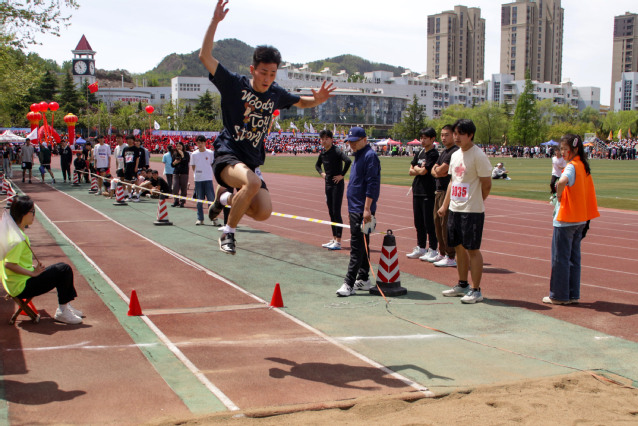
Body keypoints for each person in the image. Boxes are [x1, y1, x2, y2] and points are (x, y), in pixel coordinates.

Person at [200, 0, 336, 254]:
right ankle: (228, 233)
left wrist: (317, 100)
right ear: (253, 70)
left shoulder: (275, 93)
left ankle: (224, 198)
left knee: (263, 211)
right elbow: (205, 57)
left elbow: (300, 101)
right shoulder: (234, 84)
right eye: (263, 72)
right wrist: (214, 22)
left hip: (251, 161)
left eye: (272, 74)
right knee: (251, 183)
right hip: (228, 155)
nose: (267, 78)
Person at [2, 195, 83, 324]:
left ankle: (66, 305)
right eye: (32, 211)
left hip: (16, 283)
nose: (34, 215)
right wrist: (32, 273)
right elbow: (9, 264)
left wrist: (32, 268)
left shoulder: (13, 233)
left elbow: (14, 261)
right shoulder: (18, 239)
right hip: (21, 287)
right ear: (24, 213)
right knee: (63, 269)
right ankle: (62, 311)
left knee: (60, 268)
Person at [437, 119, 492, 304]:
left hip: (472, 211)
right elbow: (453, 182)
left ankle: (476, 290)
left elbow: (486, 184)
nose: (456, 137)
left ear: (470, 135)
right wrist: (445, 205)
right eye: (455, 133)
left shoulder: (478, 155)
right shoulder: (455, 155)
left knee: (472, 249)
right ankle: (462, 284)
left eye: (461, 133)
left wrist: (477, 201)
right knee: (458, 248)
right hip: (455, 208)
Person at [545, 134, 599, 305]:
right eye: (561, 149)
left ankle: (558, 295)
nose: (562, 152)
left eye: (565, 149)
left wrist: (559, 194)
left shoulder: (572, 166)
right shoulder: (583, 165)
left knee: (560, 258)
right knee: (574, 259)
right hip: (580, 218)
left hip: (566, 219)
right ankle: (572, 294)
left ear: (574, 149)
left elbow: (562, 182)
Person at [335, 127, 380, 297]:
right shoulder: (359, 155)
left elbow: (372, 184)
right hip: (355, 208)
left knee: (357, 246)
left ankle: (349, 283)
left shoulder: (370, 156)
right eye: (350, 142)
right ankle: (363, 278)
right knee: (363, 244)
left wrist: (367, 209)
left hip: (362, 209)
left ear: (364, 139)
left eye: (355, 141)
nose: (352, 144)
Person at [406, 128, 439, 262]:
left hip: (428, 191)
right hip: (417, 190)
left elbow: (424, 171)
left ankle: (433, 248)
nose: (422, 140)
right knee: (418, 222)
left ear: (432, 139)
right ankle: (421, 247)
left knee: (429, 222)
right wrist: (418, 169)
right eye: (421, 138)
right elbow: (410, 170)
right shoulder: (420, 152)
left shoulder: (433, 154)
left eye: (425, 138)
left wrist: (417, 169)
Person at [315, 129, 351, 251]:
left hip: (337, 185)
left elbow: (348, 161)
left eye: (326, 138)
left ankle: (339, 242)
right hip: (328, 185)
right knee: (331, 212)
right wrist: (322, 173)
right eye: (322, 139)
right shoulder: (323, 153)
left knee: (336, 212)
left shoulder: (336, 151)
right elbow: (317, 165)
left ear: (331, 139)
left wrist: (342, 175)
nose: (324, 141)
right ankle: (334, 238)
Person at [430, 124, 459, 267]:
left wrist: (437, 171)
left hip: (447, 191)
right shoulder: (444, 152)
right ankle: (442, 252)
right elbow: (434, 170)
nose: (443, 138)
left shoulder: (454, 152)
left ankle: (450, 255)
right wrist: (437, 171)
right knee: (437, 223)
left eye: (446, 135)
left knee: (445, 224)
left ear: (454, 135)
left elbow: (441, 170)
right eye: (442, 135)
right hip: (438, 190)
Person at [190, 135, 217, 225]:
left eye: (202, 142)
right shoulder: (194, 154)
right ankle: (200, 219)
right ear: (196, 143)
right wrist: (197, 174)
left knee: (211, 200)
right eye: (198, 143)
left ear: (205, 143)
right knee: (199, 200)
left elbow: (212, 164)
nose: (200, 144)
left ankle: (214, 219)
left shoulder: (210, 153)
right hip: (198, 179)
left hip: (208, 178)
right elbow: (193, 166)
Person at [171, 141, 190, 208]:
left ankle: (182, 202)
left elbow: (186, 162)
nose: (178, 147)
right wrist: (174, 162)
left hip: (184, 173)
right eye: (177, 146)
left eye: (180, 146)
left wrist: (182, 155)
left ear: (182, 146)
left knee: (183, 188)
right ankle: (176, 201)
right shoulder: (174, 154)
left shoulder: (186, 154)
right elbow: (172, 165)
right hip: (176, 172)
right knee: (175, 187)